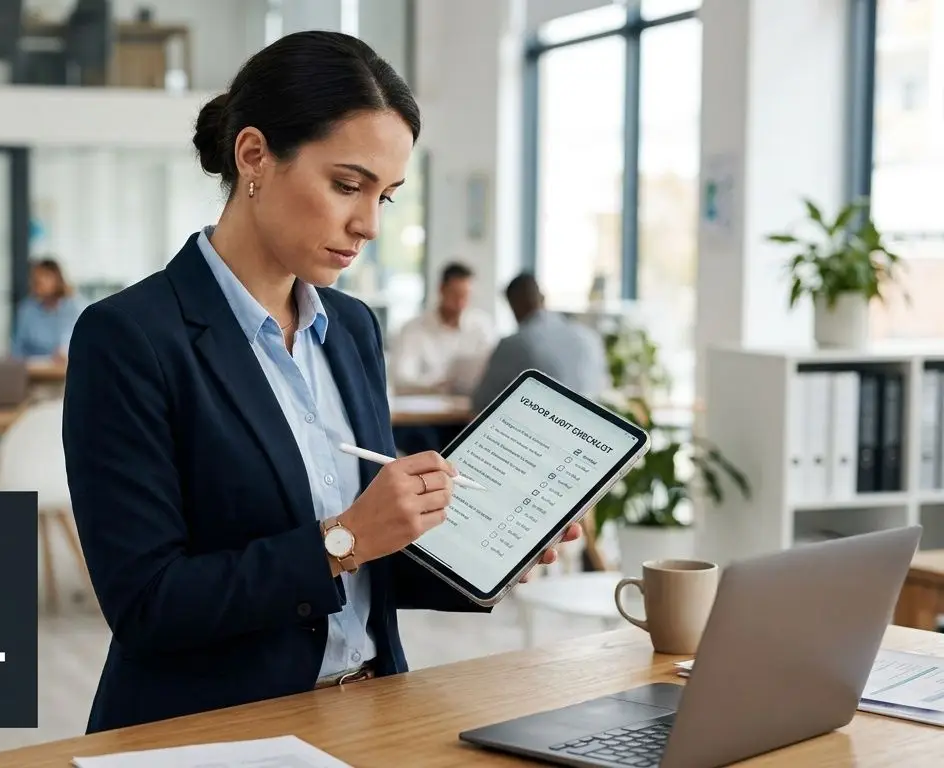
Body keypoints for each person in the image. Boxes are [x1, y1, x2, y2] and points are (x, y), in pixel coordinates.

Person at [61, 30, 581, 735]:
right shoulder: (129, 337)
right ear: (254, 157)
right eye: (346, 185)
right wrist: (343, 540)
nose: (367, 224)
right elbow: (148, 604)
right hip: (214, 732)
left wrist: (491, 549)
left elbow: (371, 568)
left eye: (387, 198)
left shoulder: (353, 328)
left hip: (369, 716)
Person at [470, 272, 607, 412]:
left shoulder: (514, 344)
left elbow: (482, 402)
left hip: (538, 429)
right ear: (543, 298)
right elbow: (602, 387)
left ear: (513, 305)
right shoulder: (589, 337)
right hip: (587, 429)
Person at [390, 261, 495, 395]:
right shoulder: (412, 329)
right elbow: (400, 379)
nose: (460, 303)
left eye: (465, 296)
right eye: (455, 295)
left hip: (469, 409)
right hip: (425, 409)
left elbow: (491, 372)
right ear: (442, 289)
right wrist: (436, 385)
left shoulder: (482, 326)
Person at [11, 258, 82, 360]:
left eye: (45, 276)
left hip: (62, 370)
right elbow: (17, 349)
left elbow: (71, 344)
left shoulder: (73, 308)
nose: (39, 281)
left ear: (58, 280)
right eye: (35, 277)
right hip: (31, 370)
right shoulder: (26, 309)